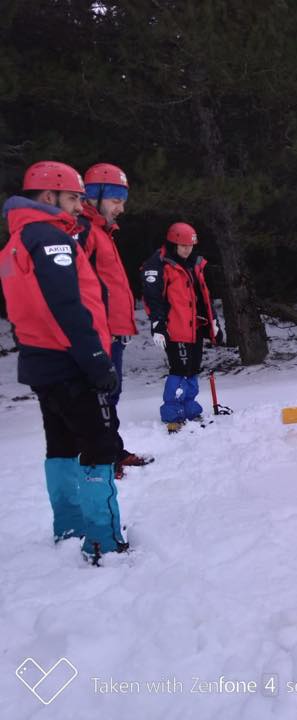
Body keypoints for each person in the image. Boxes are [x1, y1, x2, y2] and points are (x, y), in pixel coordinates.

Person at [0, 161, 127, 563]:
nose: (78, 207)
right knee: (99, 445)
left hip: (43, 363)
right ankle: (104, 541)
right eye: (73, 198)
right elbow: (67, 305)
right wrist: (95, 360)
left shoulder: (16, 241)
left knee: (61, 446)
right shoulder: (49, 238)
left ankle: (69, 529)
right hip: (70, 362)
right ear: (49, 195)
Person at [77, 163, 151, 477]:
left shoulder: (103, 232)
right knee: (99, 399)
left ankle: (112, 450)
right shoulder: (83, 231)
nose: (121, 207)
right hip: (97, 332)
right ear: (94, 196)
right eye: (115, 199)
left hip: (113, 331)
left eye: (123, 199)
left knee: (111, 395)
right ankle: (99, 460)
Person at [141, 222, 222, 432]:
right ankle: (172, 413)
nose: (187, 250)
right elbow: (152, 297)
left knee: (193, 368)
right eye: (183, 245)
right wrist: (158, 325)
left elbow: (204, 296)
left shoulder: (194, 263)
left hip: (194, 327)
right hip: (174, 328)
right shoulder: (159, 264)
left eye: (190, 246)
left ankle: (190, 408)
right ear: (172, 243)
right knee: (179, 369)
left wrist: (212, 321)